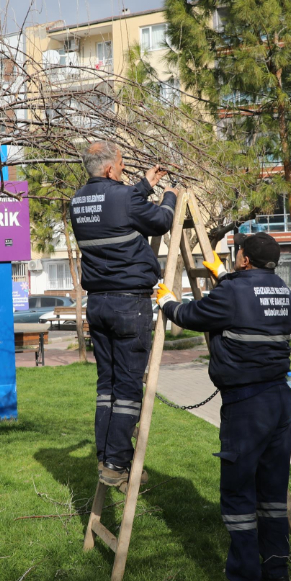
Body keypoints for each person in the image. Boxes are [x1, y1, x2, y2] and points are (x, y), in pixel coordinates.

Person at [157, 232, 291, 581]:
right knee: (271, 496)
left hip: (247, 405)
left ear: (246, 260)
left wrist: (168, 301)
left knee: (238, 499)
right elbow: (250, 302)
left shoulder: (233, 291)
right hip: (281, 400)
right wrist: (222, 274)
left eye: (237, 255)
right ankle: (277, 576)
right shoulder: (283, 291)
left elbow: (191, 315)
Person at [70, 141, 180, 490]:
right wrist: (170, 195)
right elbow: (161, 220)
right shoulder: (125, 198)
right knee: (129, 388)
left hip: (98, 304)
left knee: (107, 387)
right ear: (108, 170)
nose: (122, 171)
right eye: (120, 166)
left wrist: (145, 184)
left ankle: (106, 457)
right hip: (128, 305)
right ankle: (117, 463)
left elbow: (115, 205)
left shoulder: (77, 201)